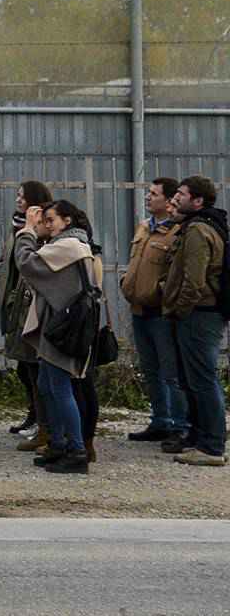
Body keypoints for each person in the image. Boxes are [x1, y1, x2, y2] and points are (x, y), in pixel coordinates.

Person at [13, 200, 100, 474]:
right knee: (47, 384)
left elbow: (27, 263)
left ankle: (75, 450)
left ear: (67, 221)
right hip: (61, 324)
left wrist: (27, 231)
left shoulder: (69, 246)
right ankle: (59, 444)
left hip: (63, 327)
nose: (47, 225)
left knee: (60, 389)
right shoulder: (71, 245)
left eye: (51, 220)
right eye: (45, 220)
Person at [158, 176, 226, 467]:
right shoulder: (196, 226)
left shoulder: (198, 229)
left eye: (182, 195)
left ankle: (211, 446)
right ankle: (199, 438)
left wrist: (179, 309)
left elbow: (194, 281)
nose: (177, 199)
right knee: (191, 379)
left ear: (198, 201)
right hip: (196, 312)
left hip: (199, 314)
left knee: (202, 380)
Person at [121, 177, 189, 447]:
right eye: (148, 193)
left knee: (170, 372)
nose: (148, 197)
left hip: (161, 311)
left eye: (154, 194)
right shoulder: (144, 228)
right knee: (151, 370)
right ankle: (159, 420)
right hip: (139, 309)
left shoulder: (176, 232)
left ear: (169, 199)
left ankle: (180, 425)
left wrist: (160, 292)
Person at [0, 180, 53, 451]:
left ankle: (45, 423)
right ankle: (34, 414)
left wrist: (29, 232)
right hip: (15, 300)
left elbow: (31, 262)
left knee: (34, 366)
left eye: (22, 196)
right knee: (24, 366)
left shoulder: (41, 229)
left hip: (32, 302)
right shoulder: (17, 226)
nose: (18, 200)